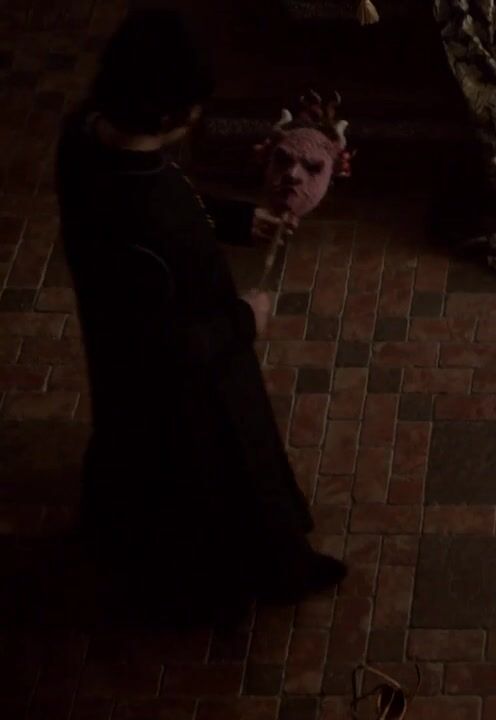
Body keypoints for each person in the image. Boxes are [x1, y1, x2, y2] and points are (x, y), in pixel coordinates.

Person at [55, 9, 345, 623]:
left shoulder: (85, 137)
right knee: (214, 470)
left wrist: (237, 220)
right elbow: (167, 345)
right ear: (167, 115)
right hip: (192, 373)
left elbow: (170, 191)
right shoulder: (144, 213)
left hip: (123, 357)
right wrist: (245, 319)